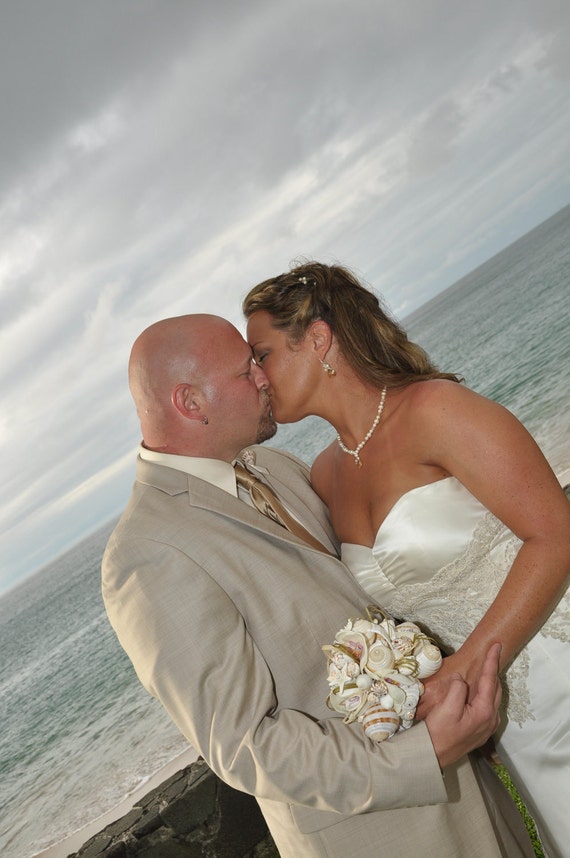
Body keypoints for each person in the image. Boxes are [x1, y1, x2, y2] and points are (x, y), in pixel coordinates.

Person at [102, 313, 534, 858]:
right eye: (246, 370)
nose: (265, 378)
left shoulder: (273, 466)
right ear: (191, 402)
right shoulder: (146, 553)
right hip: (377, 836)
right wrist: (425, 753)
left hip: (467, 790)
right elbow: (246, 746)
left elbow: (365, 593)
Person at [243, 262, 570, 858]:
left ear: (317, 340)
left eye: (260, 353)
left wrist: (465, 671)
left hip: (555, 658)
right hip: (499, 716)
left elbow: (553, 534)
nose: (255, 376)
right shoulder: (323, 475)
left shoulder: (435, 410)